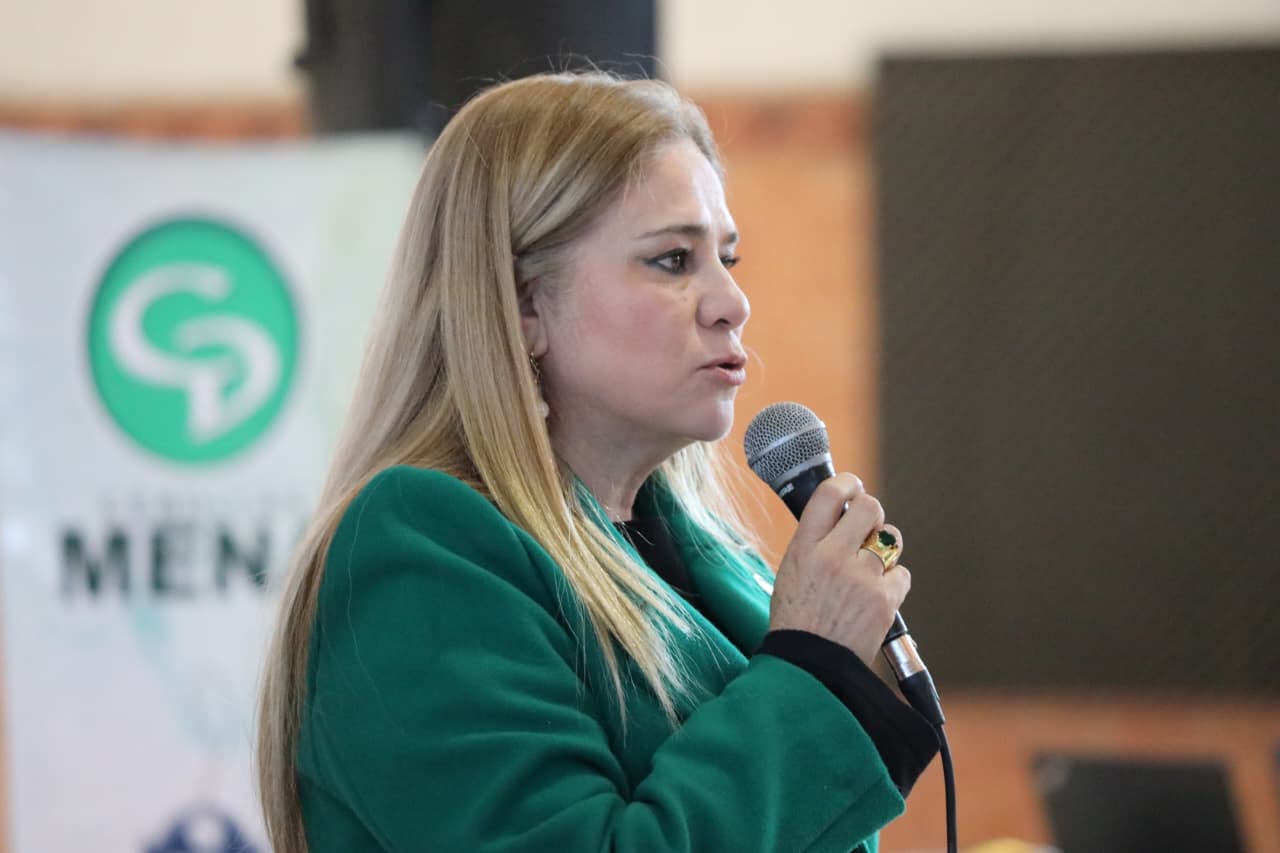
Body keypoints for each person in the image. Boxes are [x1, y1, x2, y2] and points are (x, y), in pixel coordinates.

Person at [255, 70, 939, 853]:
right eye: (673, 260)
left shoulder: (698, 554)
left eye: (727, 257)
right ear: (523, 305)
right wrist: (810, 663)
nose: (732, 302)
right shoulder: (422, 548)